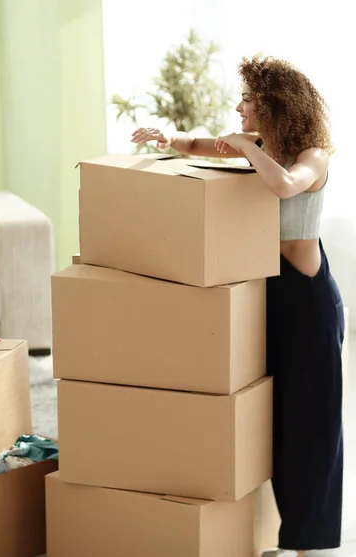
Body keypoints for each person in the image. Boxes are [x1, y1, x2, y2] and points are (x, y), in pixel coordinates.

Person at [131, 55, 344, 557]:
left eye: (246, 100)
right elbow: (200, 144)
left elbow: (286, 185)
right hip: (267, 294)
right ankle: (287, 537)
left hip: (307, 301)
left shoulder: (313, 154)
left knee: (310, 423)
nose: (238, 107)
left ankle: (310, 547)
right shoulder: (261, 146)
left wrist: (249, 147)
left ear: (272, 104)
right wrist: (168, 138)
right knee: (272, 421)